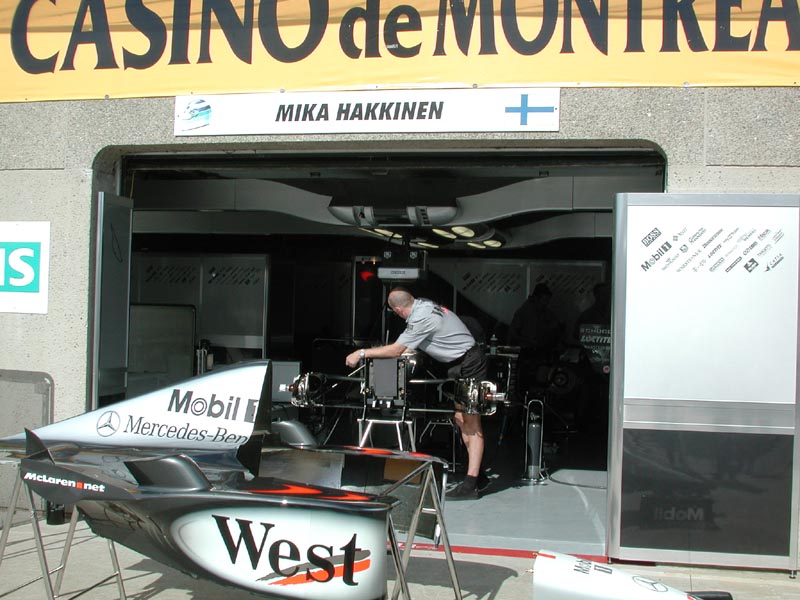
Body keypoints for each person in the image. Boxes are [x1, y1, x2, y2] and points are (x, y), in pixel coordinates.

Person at [345, 288, 487, 500]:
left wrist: (361, 353)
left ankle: (471, 485)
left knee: (472, 424)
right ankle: (477, 474)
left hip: (469, 362)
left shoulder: (420, 317)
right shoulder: (423, 303)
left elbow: (396, 350)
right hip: (459, 364)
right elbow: (417, 342)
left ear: (399, 309)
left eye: (395, 313)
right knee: (460, 419)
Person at [508, 282, 563, 395]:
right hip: (528, 352)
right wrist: (526, 341)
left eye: (548, 300)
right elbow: (514, 332)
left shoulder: (545, 313)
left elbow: (555, 327)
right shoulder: (525, 312)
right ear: (537, 298)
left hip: (540, 353)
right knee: (526, 384)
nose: (546, 303)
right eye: (544, 300)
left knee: (540, 383)